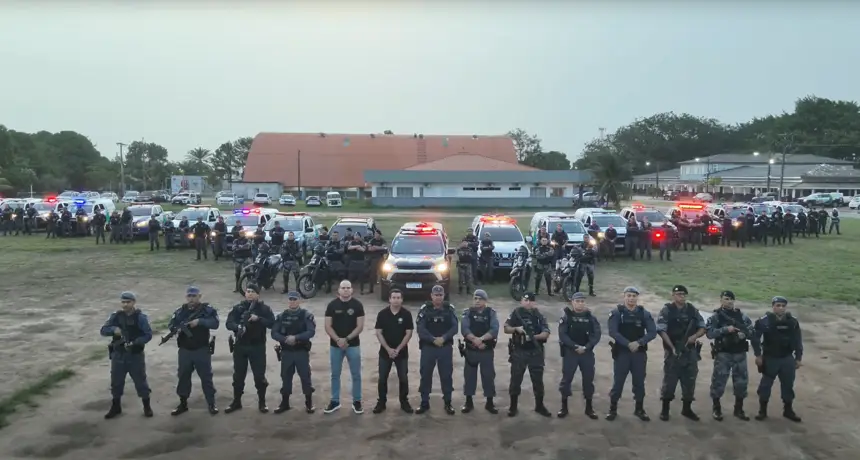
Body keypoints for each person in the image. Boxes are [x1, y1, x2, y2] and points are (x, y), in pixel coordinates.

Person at [607, 286, 657, 421]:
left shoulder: (644, 314)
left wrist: (639, 342)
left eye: (634, 296)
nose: (631, 298)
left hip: (639, 353)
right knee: (618, 382)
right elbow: (613, 331)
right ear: (624, 297)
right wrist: (628, 344)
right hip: (622, 353)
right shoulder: (617, 313)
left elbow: (652, 332)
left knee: (639, 382)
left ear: (637, 297)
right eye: (628, 296)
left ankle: (639, 409)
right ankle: (612, 409)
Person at [656, 285, 706, 421]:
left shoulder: (692, 310)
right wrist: (672, 347)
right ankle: (665, 409)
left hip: (690, 351)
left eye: (684, 294)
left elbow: (702, 327)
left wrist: (694, 336)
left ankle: (687, 409)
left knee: (690, 380)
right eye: (678, 294)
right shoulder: (667, 310)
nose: (681, 296)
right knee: (670, 380)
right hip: (673, 351)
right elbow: (661, 330)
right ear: (673, 295)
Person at [100, 291, 153, 419]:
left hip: (135, 355)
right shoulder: (116, 316)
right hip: (119, 354)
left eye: (128, 302)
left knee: (140, 381)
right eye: (123, 302)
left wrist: (135, 342)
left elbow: (148, 335)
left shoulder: (140, 318)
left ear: (133, 302)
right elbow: (103, 330)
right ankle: (116, 406)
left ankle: (147, 406)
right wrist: (114, 330)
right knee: (116, 382)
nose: (125, 305)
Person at [168, 286, 220, 415]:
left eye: (194, 296)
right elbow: (171, 325)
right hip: (185, 350)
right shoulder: (180, 311)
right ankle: (183, 403)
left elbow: (215, 323)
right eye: (189, 296)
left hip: (201, 349)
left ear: (199, 297)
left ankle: (211, 403)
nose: (191, 299)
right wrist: (177, 328)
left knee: (206, 377)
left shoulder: (207, 310)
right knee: (183, 377)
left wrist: (200, 321)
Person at [225, 284, 275, 414]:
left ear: (258, 294)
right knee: (238, 376)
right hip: (240, 346)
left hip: (257, 346)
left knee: (259, 377)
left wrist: (259, 319)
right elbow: (228, 323)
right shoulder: (238, 308)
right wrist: (238, 327)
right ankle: (236, 401)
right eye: (248, 291)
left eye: (253, 291)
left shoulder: (264, 309)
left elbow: (272, 323)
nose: (250, 293)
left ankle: (262, 402)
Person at [751, 296, 803, 423]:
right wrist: (758, 355)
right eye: (778, 305)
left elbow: (798, 341)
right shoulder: (764, 321)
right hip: (770, 358)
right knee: (765, 385)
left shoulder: (792, 321)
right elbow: (755, 339)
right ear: (773, 306)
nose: (781, 308)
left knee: (788, 385)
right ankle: (762, 410)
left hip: (787, 358)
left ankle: (788, 410)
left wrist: (798, 358)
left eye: (783, 306)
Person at [706, 290, 753, 421]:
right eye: (726, 299)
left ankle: (739, 409)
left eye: (731, 299)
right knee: (719, 381)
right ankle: (716, 408)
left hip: (739, 353)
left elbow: (751, 330)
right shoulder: (716, 317)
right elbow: (709, 333)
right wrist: (725, 330)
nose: (729, 301)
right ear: (721, 300)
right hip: (723, 354)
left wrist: (743, 334)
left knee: (741, 382)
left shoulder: (742, 316)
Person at [504, 292, 552, 417]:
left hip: (536, 351)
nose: (528, 303)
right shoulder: (516, 313)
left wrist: (533, 337)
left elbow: (546, 332)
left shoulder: (539, 315)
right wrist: (516, 329)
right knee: (516, 379)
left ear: (534, 302)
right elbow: (506, 328)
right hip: (519, 351)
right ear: (521, 301)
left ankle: (539, 406)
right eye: (525, 300)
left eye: (530, 300)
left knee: (538, 381)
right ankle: (513, 406)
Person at [415, 285, 459, 415]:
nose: (438, 297)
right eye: (436, 295)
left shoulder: (449, 309)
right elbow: (420, 328)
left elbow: (455, 327)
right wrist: (433, 339)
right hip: (428, 347)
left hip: (445, 347)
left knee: (446, 375)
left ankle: (448, 402)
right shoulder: (425, 309)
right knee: (425, 375)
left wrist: (444, 338)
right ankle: (424, 402)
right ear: (431, 296)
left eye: (440, 295)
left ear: (443, 296)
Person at [323, 280, 365, 414]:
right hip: (335, 346)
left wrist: (346, 339)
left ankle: (357, 401)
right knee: (335, 374)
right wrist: (337, 340)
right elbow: (327, 326)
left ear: (352, 290)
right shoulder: (332, 305)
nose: (346, 290)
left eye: (348, 288)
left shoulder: (357, 305)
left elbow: (360, 326)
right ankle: (335, 401)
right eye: (343, 288)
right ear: (339, 290)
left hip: (353, 345)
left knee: (356, 374)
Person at [557, 292, 601, 419]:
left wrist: (586, 347)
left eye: (582, 301)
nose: (580, 303)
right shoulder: (567, 317)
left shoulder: (591, 318)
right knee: (566, 379)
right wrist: (575, 346)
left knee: (588, 379)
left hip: (586, 353)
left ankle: (589, 408)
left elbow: (596, 334)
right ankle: (564, 407)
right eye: (577, 301)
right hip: (571, 352)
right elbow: (563, 335)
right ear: (572, 302)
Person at [272, 291, 317, 414]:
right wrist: (285, 339)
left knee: (305, 377)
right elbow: (274, 332)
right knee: (285, 377)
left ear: (299, 301)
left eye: (295, 299)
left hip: (301, 351)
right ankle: (285, 403)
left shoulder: (306, 315)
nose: (292, 301)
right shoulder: (282, 316)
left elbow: (311, 331)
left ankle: (309, 403)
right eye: (290, 299)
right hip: (286, 352)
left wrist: (296, 337)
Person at [373, 289, 415, 414]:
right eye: (394, 297)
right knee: (382, 378)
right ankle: (381, 402)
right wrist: (388, 349)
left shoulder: (406, 314)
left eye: (398, 298)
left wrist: (398, 349)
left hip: (401, 353)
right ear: (389, 299)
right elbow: (378, 332)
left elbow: (409, 333)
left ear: (402, 299)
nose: (396, 300)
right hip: (385, 352)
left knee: (403, 378)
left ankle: (404, 402)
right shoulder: (382, 314)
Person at [460, 289, 499, 414]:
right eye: (475, 298)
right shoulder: (468, 313)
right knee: (469, 376)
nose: (477, 301)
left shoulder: (491, 313)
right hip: (471, 350)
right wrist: (475, 340)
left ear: (485, 301)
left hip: (486, 350)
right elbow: (464, 329)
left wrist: (480, 340)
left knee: (488, 376)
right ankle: (468, 402)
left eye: (480, 299)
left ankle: (489, 402)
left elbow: (494, 330)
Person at [365, 230, 387, 294]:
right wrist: (379, 247)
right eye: (375, 234)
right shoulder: (372, 240)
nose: (376, 235)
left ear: (380, 235)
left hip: (381, 259)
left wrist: (375, 247)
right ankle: (371, 289)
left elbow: (384, 248)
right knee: (372, 274)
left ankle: (384, 289)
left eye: (377, 234)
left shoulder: (382, 240)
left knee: (383, 274)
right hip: (374, 259)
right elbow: (370, 248)